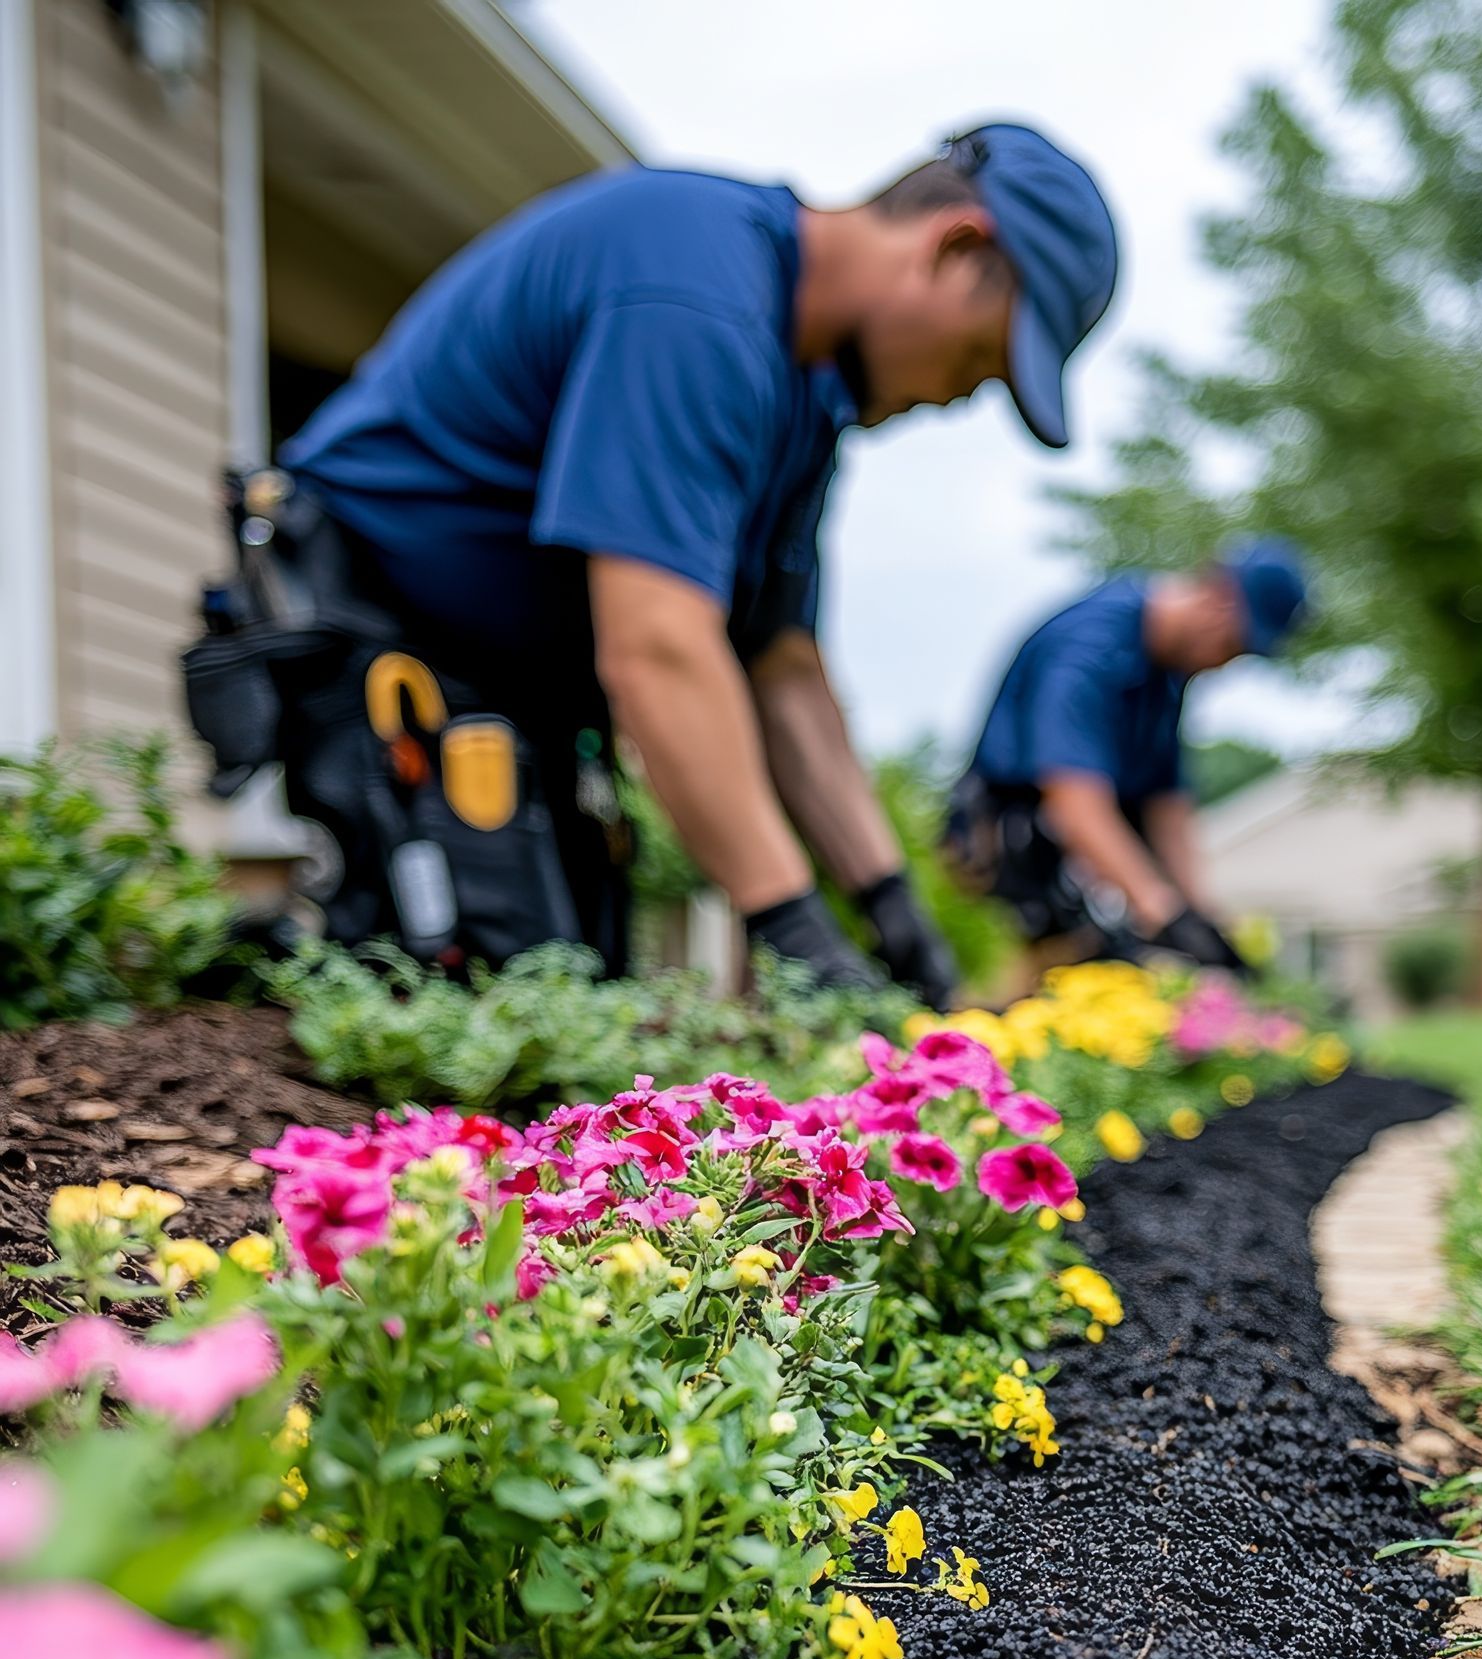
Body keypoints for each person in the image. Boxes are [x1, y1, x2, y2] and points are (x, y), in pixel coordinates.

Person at [189, 127, 1118, 1002]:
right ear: (955, 247)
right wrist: (792, 927)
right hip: (384, 648)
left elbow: (782, 669)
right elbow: (658, 650)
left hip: (520, 695)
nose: (968, 393)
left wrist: (887, 907)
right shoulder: (696, 289)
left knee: (572, 986)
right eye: (988, 354)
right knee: (482, 1000)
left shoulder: (806, 399)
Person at [949, 542, 1308, 974]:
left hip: (1078, 855)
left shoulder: (1169, 676)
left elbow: (1167, 808)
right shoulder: (1091, 647)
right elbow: (1074, 806)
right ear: (1219, 598)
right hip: (1009, 851)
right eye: (1234, 646)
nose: (1226, 665)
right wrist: (1162, 912)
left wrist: (1204, 922)